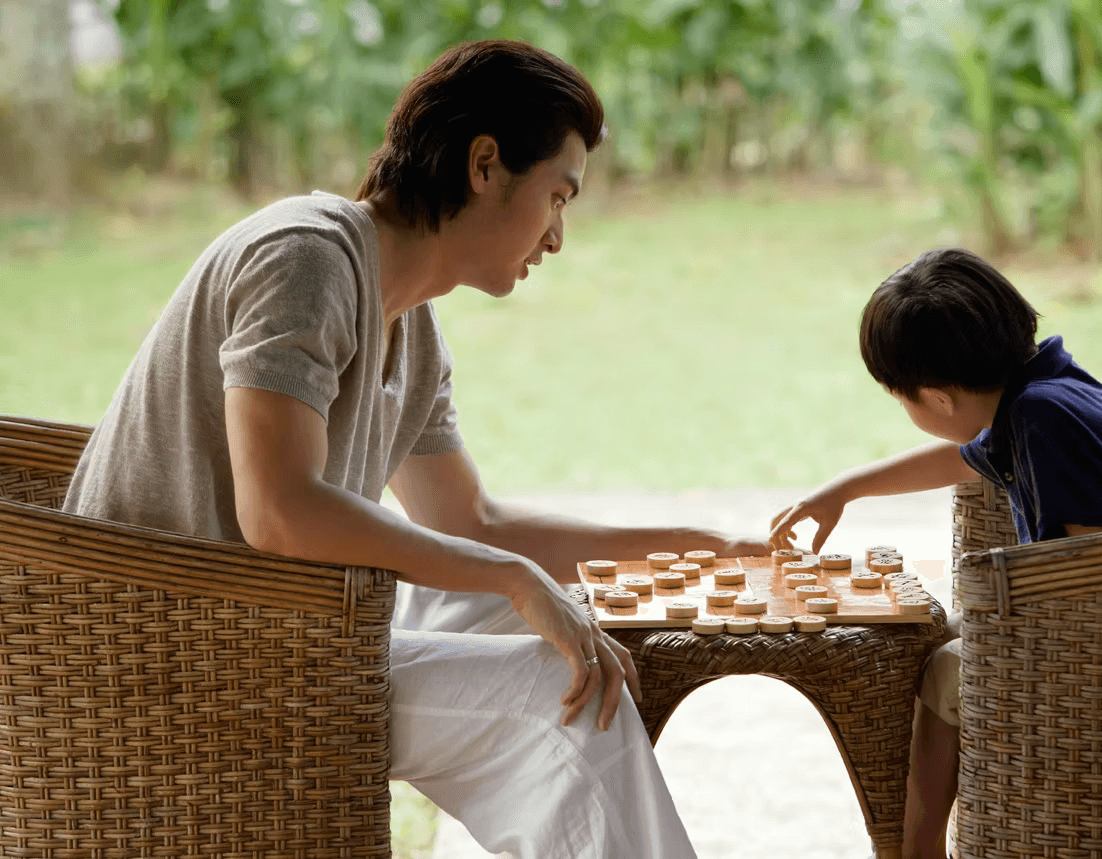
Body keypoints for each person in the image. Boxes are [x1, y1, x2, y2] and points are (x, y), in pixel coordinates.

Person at [63, 39, 769, 859]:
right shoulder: (306, 256)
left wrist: (703, 548)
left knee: (546, 619)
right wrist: (514, 576)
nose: (557, 236)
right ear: (483, 164)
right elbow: (279, 509)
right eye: (556, 196)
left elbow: (473, 522)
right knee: (561, 693)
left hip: (288, 635)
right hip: (178, 656)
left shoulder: (415, 329)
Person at [767, 247, 1102, 859]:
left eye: (901, 397)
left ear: (936, 398)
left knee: (943, 665)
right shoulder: (1041, 393)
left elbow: (1093, 576)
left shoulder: (1043, 422)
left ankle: (912, 852)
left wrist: (988, 615)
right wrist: (844, 489)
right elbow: (968, 455)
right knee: (933, 632)